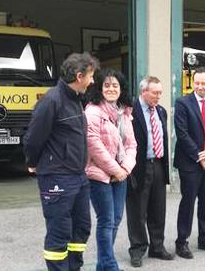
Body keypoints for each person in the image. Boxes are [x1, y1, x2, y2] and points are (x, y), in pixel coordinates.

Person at [23, 52, 98, 271]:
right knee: (59, 233)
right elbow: (33, 138)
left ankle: (74, 268)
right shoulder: (52, 100)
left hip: (78, 176)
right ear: (79, 76)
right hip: (57, 176)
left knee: (81, 228)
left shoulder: (75, 100)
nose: (93, 81)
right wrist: (32, 161)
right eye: (91, 76)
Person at [84, 68, 138, 270]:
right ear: (99, 87)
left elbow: (132, 144)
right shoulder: (92, 111)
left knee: (115, 220)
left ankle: (102, 265)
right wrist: (116, 170)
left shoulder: (124, 112)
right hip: (99, 175)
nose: (111, 89)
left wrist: (125, 168)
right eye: (106, 85)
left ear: (121, 89)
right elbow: (93, 145)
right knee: (106, 220)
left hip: (121, 174)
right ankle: (109, 265)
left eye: (115, 85)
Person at [173, 68, 205, 259]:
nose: (200, 86)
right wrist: (201, 157)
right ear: (192, 82)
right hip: (190, 162)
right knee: (188, 202)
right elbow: (182, 133)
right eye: (197, 83)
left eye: (204, 83)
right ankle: (182, 242)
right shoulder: (182, 103)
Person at [126, 76, 174, 267]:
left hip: (158, 164)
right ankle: (137, 249)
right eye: (155, 92)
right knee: (137, 210)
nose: (159, 96)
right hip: (139, 166)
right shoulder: (130, 110)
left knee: (158, 208)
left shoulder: (160, 111)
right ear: (143, 91)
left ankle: (157, 247)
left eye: (160, 92)